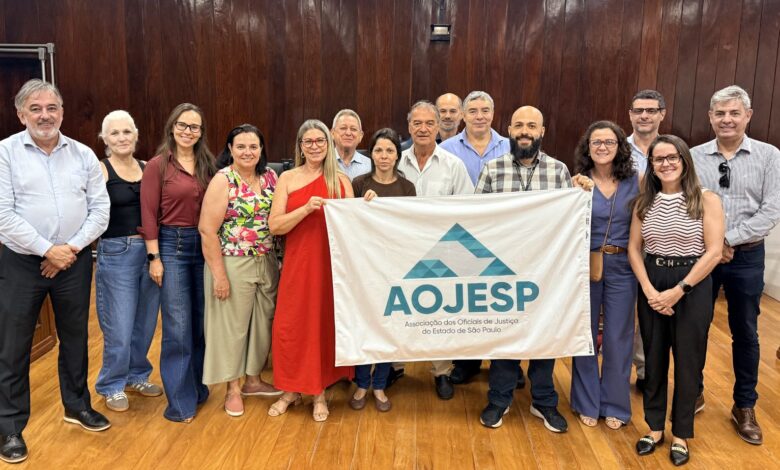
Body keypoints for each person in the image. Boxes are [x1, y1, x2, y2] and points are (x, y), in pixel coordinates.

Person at [0, 79, 110, 464]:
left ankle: (77, 406)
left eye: (51, 108)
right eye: (35, 108)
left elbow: (100, 210)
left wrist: (69, 249)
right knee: (13, 346)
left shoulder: (82, 155)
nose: (44, 115)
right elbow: (3, 215)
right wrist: (48, 250)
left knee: (75, 338)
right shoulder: (5, 153)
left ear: (62, 112)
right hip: (20, 263)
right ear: (21, 114)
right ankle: (9, 427)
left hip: (73, 262)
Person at [475, 105, 592, 431]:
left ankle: (544, 401)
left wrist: (581, 193)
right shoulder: (492, 169)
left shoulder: (558, 171)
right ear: (509, 131)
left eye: (531, 126)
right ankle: (499, 399)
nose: (524, 131)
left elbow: (569, 221)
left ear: (542, 132)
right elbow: (476, 219)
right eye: (519, 125)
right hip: (502, 270)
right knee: (504, 334)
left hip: (546, 270)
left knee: (545, 334)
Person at [691, 85, 780, 445]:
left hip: (746, 256)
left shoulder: (769, 156)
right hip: (700, 255)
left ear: (748, 116)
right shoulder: (694, 156)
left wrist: (727, 240)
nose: (727, 119)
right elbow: (686, 203)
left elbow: (772, 209)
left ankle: (744, 405)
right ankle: (692, 392)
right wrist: (712, 245)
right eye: (720, 113)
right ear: (710, 118)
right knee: (695, 327)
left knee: (745, 331)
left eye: (734, 113)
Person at [629, 135, 723, 466]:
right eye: (659, 159)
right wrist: (649, 290)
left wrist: (679, 289)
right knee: (653, 359)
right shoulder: (644, 202)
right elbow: (634, 249)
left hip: (692, 283)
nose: (666, 164)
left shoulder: (706, 199)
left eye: (673, 157)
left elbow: (714, 252)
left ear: (684, 160)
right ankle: (654, 428)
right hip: (653, 279)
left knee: (688, 361)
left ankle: (681, 433)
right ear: (651, 165)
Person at [268, 119, 354, 422]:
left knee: (320, 327)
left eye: (320, 141)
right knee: (290, 326)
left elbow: (354, 226)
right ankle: (290, 389)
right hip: (297, 263)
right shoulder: (287, 178)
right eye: (309, 142)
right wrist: (304, 210)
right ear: (300, 146)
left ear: (329, 145)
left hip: (331, 267)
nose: (315, 146)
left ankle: (318, 393)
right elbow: (275, 225)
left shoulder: (341, 180)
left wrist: (367, 204)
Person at [140, 103, 216, 423]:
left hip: (205, 247)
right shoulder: (157, 166)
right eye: (183, 125)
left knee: (200, 324)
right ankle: (180, 404)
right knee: (178, 327)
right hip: (172, 247)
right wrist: (154, 258)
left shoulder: (209, 165)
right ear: (172, 127)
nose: (188, 131)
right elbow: (148, 214)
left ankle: (197, 389)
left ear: (201, 132)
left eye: (194, 127)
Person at [199, 124, 283, 417]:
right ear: (230, 149)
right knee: (232, 328)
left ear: (261, 149)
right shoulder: (223, 180)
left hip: (267, 260)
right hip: (233, 262)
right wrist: (219, 275)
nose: (248, 152)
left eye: (253, 146)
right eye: (241, 146)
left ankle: (253, 380)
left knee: (262, 323)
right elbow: (207, 230)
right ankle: (232, 389)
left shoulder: (271, 176)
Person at [397, 100, 474, 400]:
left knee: (439, 313)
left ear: (438, 126)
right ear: (409, 127)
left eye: (429, 123)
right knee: (400, 308)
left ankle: (442, 371)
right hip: (401, 248)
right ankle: (395, 365)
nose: (423, 128)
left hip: (442, 251)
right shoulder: (395, 161)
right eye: (417, 123)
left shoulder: (453, 165)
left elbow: (468, 208)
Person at [570, 121, 638, 430]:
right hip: (585, 264)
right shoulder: (577, 182)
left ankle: (615, 404)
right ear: (587, 147)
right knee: (584, 335)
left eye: (609, 142)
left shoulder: (635, 181)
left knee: (617, 336)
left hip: (623, 264)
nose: (602, 147)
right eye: (596, 142)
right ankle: (587, 401)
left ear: (620, 146)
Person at [94, 110, 162, 413]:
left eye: (126, 132)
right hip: (116, 252)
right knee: (119, 325)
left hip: (151, 252)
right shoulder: (100, 169)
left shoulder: (149, 167)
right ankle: (111, 384)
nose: (121, 138)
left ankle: (137, 376)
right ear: (105, 139)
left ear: (135, 135)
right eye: (114, 133)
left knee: (145, 322)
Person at [349, 128, 415, 413]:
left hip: (394, 266)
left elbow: (411, 227)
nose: (384, 156)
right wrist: (365, 207)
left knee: (387, 326)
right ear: (371, 154)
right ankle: (362, 383)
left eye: (390, 150)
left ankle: (380, 385)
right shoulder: (358, 183)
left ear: (397, 155)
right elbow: (350, 223)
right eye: (378, 150)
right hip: (363, 266)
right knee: (364, 325)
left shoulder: (407, 187)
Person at [627, 90, 667, 392]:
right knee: (622, 312)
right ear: (630, 114)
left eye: (651, 110)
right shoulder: (616, 147)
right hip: (622, 239)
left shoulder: (672, 149)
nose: (644, 116)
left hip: (659, 242)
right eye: (639, 110)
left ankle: (645, 371)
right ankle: (617, 371)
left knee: (652, 309)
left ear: (661, 114)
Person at [440, 90, 510, 184]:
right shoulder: (445, 149)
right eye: (472, 111)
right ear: (464, 116)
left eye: (485, 111)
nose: (479, 117)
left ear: (492, 114)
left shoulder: (510, 148)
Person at [332, 109, 370, 180]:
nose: (348, 133)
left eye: (353, 129)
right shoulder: (322, 162)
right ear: (332, 133)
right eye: (343, 128)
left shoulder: (370, 167)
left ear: (360, 136)